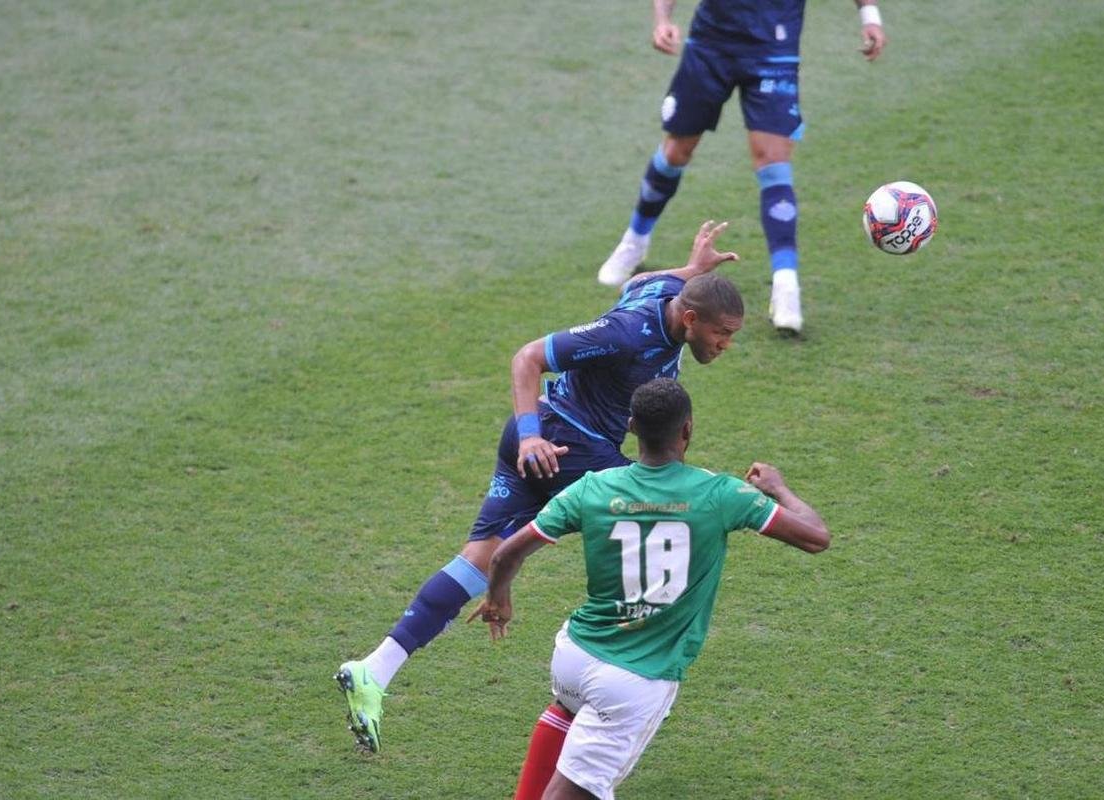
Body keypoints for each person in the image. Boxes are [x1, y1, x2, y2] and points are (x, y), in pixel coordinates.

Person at [335, 221, 746, 752]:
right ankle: (629, 668)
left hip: (549, 442)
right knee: (665, 508)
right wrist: (531, 436)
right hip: (560, 445)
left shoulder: (667, 294)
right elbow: (528, 357)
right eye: (723, 333)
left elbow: (642, 280)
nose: (726, 344)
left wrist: (692, 269)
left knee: (474, 563)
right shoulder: (627, 333)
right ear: (690, 319)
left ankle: (373, 670)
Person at [470, 378, 830, 799]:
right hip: (633, 680)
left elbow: (503, 555)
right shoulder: (720, 494)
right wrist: (778, 488)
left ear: (631, 427)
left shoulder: (592, 488)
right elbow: (816, 537)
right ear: (688, 429)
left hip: (574, 656)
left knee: (568, 710)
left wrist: (498, 598)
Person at [596, 0, 889, 335]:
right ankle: (635, 240)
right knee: (677, 151)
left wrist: (870, 17)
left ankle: (786, 285)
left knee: (773, 160)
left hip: (774, 46)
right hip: (711, 43)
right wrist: (662, 18)